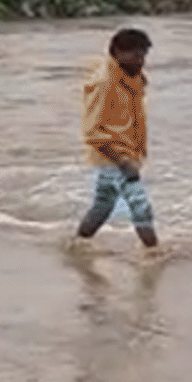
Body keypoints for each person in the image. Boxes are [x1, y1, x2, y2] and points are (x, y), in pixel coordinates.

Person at [76, 27, 156, 250]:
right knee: (141, 207)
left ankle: (78, 244)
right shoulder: (104, 83)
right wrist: (123, 162)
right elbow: (93, 132)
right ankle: (153, 254)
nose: (141, 61)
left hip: (126, 154)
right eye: (136, 55)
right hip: (114, 156)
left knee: (102, 206)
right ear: (117, 52)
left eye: (143, 55)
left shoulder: (130, 78)